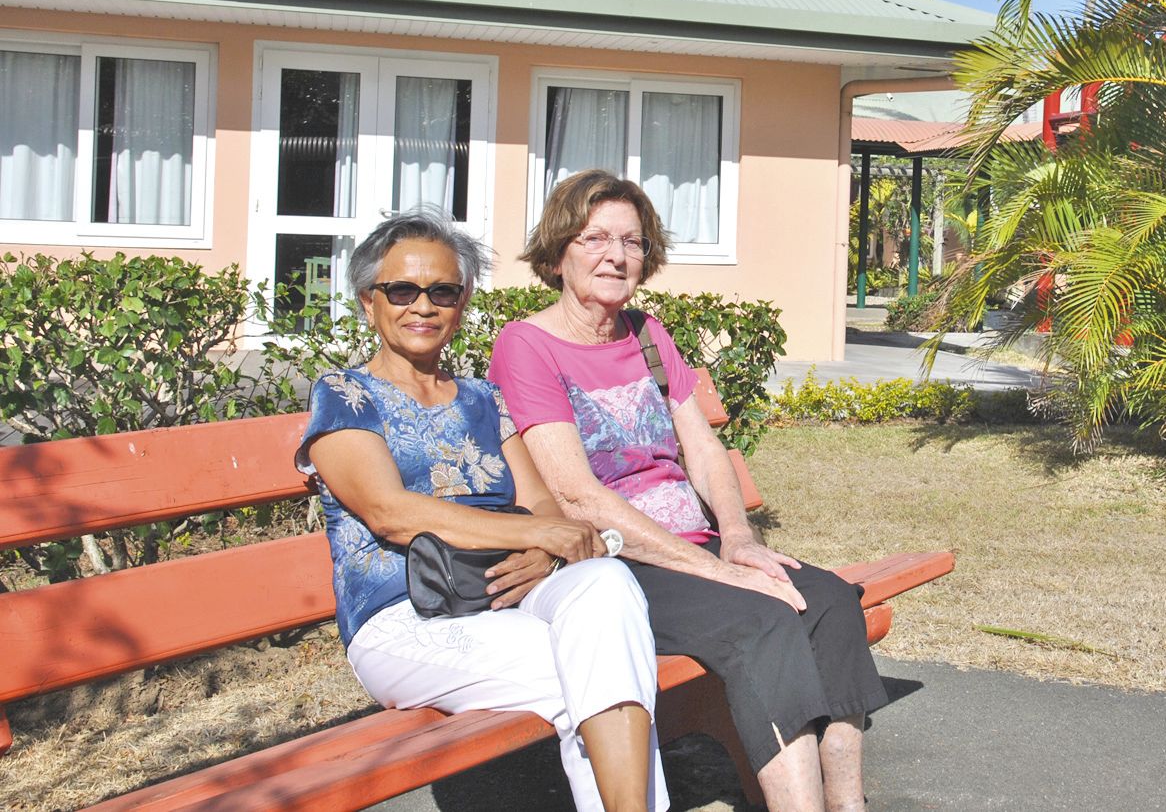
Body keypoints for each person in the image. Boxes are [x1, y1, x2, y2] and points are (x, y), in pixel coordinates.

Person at [489, 170, 887, 812]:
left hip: (694, 548)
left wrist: (737, 540)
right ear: (559, 250)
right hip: (613, 566)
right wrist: (717, 572)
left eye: (633, 242)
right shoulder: (527, 346)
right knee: (762, 621)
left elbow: (702, 446)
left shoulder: (647, 334)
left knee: (832, 603)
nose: (616, 256)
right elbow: (576, 496)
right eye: (595, 238)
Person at [297, 208, 670, 812]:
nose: (423, 305)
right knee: (595, 676)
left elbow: (541, 502)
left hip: (502, 594)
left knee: (605, 582)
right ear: (370, 302)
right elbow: (390, 512)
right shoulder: (344, 396)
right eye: (402, 290)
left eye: (443, 290)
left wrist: (543, 554)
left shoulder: (482, 397)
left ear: (462, 302)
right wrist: (543, 534)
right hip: (403, 621)